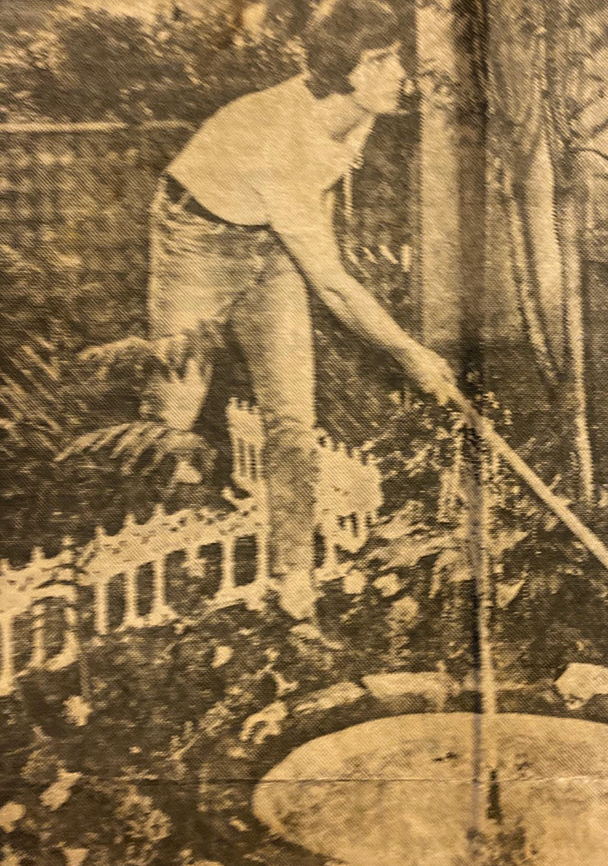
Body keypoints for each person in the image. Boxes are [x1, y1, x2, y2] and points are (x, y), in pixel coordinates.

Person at [140, 0, 460, 623]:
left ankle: (294, 577)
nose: (402, 73)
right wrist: (410, 353)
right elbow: (334, 287)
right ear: (344, 72)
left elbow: (324, 197)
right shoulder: (281, 139)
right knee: (177, 404)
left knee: (292, 413)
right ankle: (162, 560)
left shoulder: (359, 111)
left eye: (397, 55)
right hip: (196, 235)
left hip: (273, 239)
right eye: (382, 60)